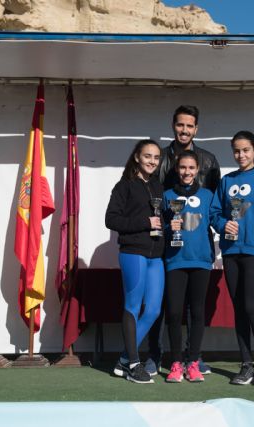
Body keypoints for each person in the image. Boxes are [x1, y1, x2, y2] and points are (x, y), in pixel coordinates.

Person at [146, 105, 220, 375]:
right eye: (180, 125)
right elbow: (151, 197)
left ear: (196, 128)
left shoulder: (209, 160)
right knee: (164, 305)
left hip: (197, 249)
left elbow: (215, 206)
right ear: (173, 125)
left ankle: (193, 357)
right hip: (166, 247)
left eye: (189, 125)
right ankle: (156, 355)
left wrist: (227, 226)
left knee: (195, 310)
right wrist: (162, 225)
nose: (184, 130)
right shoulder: (160, 157)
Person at [210, 130, 254, 386]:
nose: (241, 155)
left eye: (246, 150)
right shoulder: (226, 181)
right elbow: (215, 212)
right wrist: (223, 225)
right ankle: (246, 365)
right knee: (239, 309)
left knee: (251, 307)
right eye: (236, 151)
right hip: (231, 253)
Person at [105, 139, 165, 384]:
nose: (152, 161)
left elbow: (159, 218)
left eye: (156, 157)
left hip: (156, 256)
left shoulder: (158, 186)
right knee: (132, 306)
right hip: (133, 253)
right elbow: (111, 220)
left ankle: (123, 359)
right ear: (137, 158)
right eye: (147, 156)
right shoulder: (124, 186)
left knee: (153, 310)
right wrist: (145, 222)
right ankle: (133, 363)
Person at [162, 151, 215, 383]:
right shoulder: (166, 196)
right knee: (174, 313)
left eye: (191, 168)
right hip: (175, 260)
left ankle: (193, 361)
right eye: (183, 167)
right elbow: (159, 227)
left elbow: (216, 220)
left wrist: (232, 224)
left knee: (197, 313)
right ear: (176, 169)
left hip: (201, 260)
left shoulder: (208, 195)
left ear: (197, 170)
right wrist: (168, 227)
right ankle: (176, 362)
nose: (187, 172)